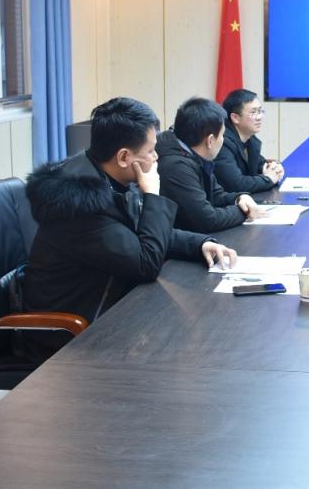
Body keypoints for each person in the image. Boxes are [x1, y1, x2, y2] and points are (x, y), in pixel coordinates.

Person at [21, 97, 236, 364]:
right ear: (124, 157)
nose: (156, 157)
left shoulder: (105, 177)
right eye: (151, 151)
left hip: (111, 305)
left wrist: (199, 243)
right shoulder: (82, 206)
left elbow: (138, 232)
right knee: (194, 348)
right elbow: (145, 263)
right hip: (72, 334)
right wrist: (153, 195)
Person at [156, 97, 263, 233]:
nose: (223, 140)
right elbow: (207, 220)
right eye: (222, 135)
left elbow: (216, 195)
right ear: (210, 140)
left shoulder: (194, 153)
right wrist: (244, 211)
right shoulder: (176, 166)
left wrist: (239, 198)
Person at [215, 89, 284, 194]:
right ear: (235, 118)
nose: (259, 117)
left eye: (260, 111)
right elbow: (236, 184)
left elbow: (259, 164)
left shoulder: (250, 139)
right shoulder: (222, 143)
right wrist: (269, 179)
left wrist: (273, 167)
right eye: (253, 112)